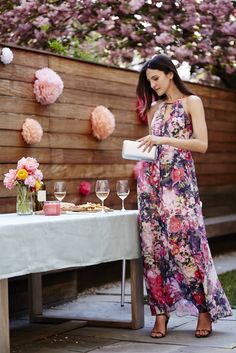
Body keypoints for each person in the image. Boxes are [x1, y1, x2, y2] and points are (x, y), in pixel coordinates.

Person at [136, 54, 232, 339]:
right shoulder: (153, 110)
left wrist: (164, 139)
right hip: (151, 186)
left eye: (155, 78)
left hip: (180, 189)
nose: (152, 85)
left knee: (186, 246)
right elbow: (151, 147)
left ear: (170, 74)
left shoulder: (192, 102)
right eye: (149, 81)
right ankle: (160, 313)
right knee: (152, 249)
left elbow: (201, 144)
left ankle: (203, 310)